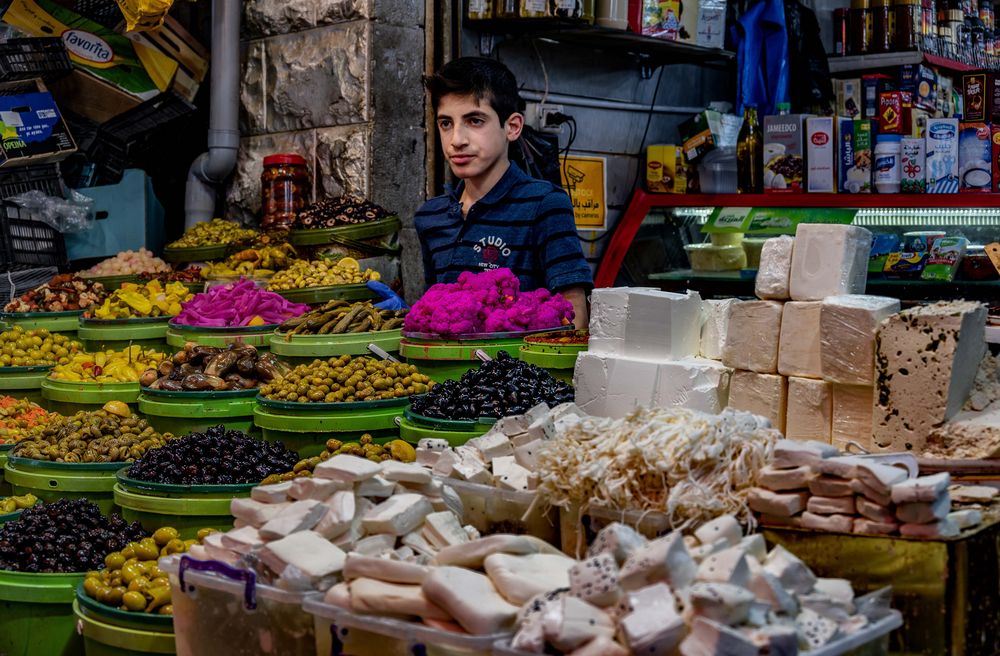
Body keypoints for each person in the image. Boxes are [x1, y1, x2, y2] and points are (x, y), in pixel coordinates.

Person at [415, 57, 592, 329]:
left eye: (474, 121)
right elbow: (432, 311)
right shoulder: (431, 216)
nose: (457, 140)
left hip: (520, 369)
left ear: (512, 127)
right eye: (446, 123)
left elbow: (574, 311)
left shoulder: (545, 204)